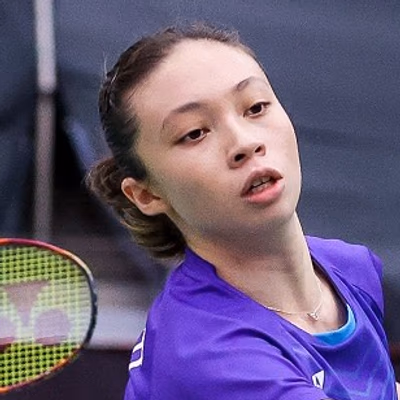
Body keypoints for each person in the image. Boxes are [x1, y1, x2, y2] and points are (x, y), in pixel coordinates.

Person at [87, 23, 399, 399]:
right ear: (146, 195)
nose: (245, 143)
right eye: (194, 133)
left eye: (255, 107)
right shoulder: (210, 357)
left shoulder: (351, 269)